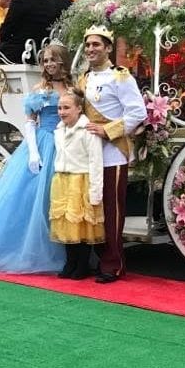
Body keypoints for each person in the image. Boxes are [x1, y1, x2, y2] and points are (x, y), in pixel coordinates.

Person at [0, 44, 74, 273]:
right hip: (43, 144)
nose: (48, 64)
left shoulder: (74, 88)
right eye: (46, 60)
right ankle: (26, 252)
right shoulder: (40, 89)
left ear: (62, 62)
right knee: (32, 198)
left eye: (53, 59)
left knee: (58, 198)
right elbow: (30, 121)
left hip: (67, 145)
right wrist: (34, 152)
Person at [77, 25, 148, 284]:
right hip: (88, 155)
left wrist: (108, 130)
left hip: (113, 154)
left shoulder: (121, 77)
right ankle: (95, 258)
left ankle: (113, 264)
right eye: (87, 45)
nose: (91, 49)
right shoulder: (83, 79)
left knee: (112, 210)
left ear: (108, 48)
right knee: (92, 210)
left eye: (96, 44)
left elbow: (138, 113)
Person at [49, 88, 104, 279]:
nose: (62, 112)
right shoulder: (59, 130)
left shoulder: (88, 130)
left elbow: (95, 162)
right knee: (65, 224)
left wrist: (95, 192)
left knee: (81, 225)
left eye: (66, 108)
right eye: (59, 108)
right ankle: (69, 262)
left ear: (79, 109)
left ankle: (83, 264)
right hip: (62, 180)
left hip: (80, 180)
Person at [0, 0, 57, 64]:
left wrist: (7, 42)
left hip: (21, 52)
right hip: (41, 53)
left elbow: (6, 29)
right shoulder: (50, 2)